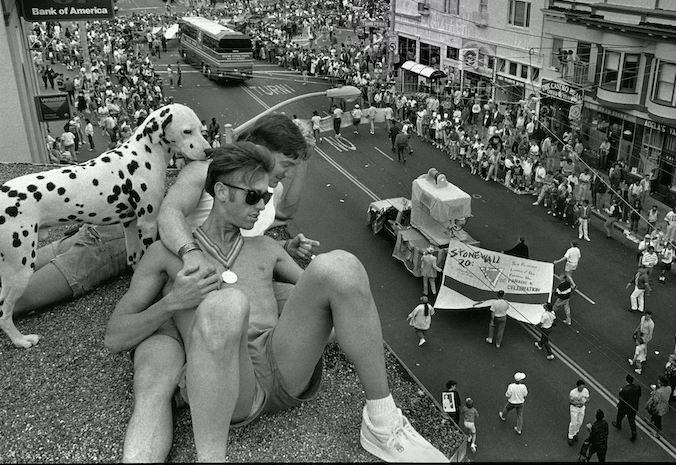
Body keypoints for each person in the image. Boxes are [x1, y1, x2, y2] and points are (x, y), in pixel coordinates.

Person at [105, 143, 448, 462]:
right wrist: (172, 303)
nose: (263, 206)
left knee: (340, 267)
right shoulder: (166, 256)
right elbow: (115, 338)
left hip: (282, 367)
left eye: (266, 196)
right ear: (221, 192)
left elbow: (334, 301)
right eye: (253, 196)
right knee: (226, 306)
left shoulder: (265, 248)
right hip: (230, 387)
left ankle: (382, 422)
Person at [612, 374, 641, 442]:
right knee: (632, 421)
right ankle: (634, 434)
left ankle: (618, 425)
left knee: (619, 416)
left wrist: (620, 391)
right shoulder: (638, 387)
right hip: (633, 407)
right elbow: (639, 395)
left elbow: (621, 398)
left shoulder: (625, 390)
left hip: (624, 407)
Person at [568, 379, 590, 446]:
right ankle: (570, 436)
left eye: (583, 387)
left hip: (582, 408)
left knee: (580, 422)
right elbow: (571, 401)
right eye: (580, 387)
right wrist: (578, 402)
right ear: (577, 387)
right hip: (575, 408)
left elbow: (588, 399)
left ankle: (575, 433)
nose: (582, 389)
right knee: (573, 423)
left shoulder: (585, 391)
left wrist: (585, 400)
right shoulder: (573, 393)